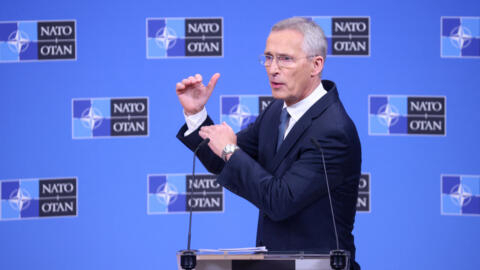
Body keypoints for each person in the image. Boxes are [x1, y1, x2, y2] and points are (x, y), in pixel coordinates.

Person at [175, 17, 361, 270]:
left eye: (285, 59)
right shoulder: (276, 111)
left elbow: (279, 201)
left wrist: (230, 150)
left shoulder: (332, 131)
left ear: (316, 65)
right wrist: (197, 115)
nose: (273, 68)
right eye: (269, 57)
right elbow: (222, 159)